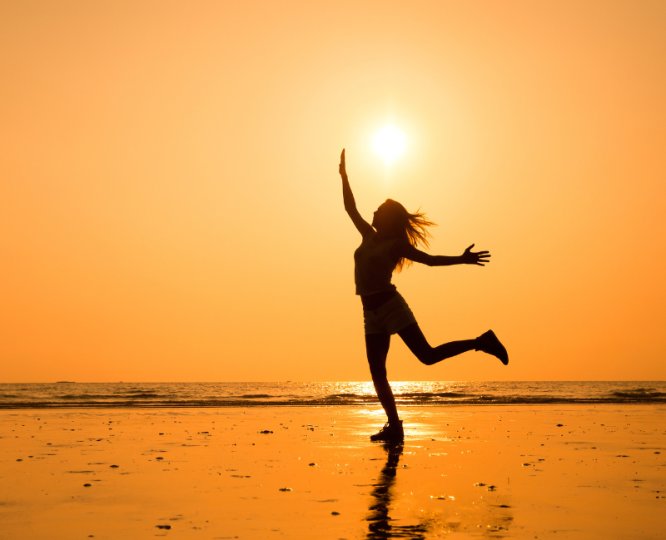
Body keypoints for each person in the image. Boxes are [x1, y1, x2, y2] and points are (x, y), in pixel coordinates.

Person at [338, 149, 508, 442]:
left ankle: (482, 341)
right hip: (370, 314)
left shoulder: (394, 245)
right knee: (377, 371)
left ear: (390, 219)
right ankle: (394, 426)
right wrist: (344, 177)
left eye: (379, 210)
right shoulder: (368, 235)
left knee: (427, 356)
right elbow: (350, 208)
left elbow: (429, 260)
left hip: (391, 307)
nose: (374, 212)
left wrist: (461, 259)